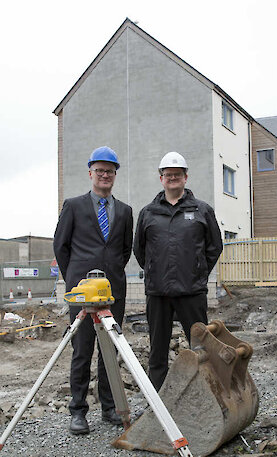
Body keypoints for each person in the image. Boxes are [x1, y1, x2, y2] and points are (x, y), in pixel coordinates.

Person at [53, 146, 133, 434]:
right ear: (91, 173)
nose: (104, 175)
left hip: (113, 290)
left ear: (115, 175)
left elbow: (124, 250)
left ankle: (109, 407)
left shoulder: (125, 211)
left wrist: (110, 273)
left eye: (109, 171)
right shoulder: (73, 206)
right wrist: (75, 279)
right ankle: (78, 410)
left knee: (109, 349)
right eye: (100, 170)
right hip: (83, 290)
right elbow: (61, 246)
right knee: (82, 349)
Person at [133, 151, 222, 392]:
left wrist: (197, 272)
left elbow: (214, 247)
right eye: (168, 174)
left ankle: (207, 398)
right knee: (157, 352)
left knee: (201, 349)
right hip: (158, 293)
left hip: (191, 292)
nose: (173, 178)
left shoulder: (202, 210)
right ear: (161, 178)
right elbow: (139, 250)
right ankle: (159, 407)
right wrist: (154, 271)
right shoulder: (148, 212)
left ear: (186, 177)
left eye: (178, 174)